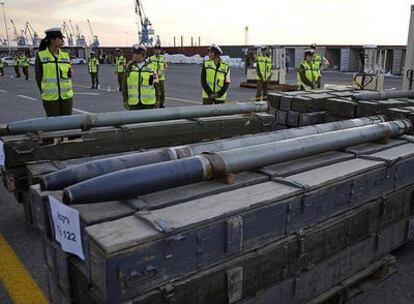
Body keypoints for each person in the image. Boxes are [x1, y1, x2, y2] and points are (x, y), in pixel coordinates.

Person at [35, 27, 74, 117]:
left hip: (67, 96)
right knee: (54, 124)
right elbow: (38, 77)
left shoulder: (65, 55)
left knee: (67, 123)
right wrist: (44, 92)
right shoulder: (41, 56)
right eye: (60, 38)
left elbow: (69, 74)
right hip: (50, 98)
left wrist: (69, 73)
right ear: (52, 40)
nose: (62, 40)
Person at [122, 44, 158, 110]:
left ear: (143, 55)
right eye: (133, 53)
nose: (135, 56)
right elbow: (124, 85)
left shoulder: (151, 67)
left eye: (137, 54)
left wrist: (158, 99)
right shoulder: (129, 67)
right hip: (134, 103)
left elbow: (155, 84)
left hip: (149, 103)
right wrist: (124, 100)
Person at [148, 43, 167, 108]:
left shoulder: (163, 58)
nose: (157, 51)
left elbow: (165, 66)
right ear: (154, 50)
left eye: (158, 49)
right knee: (155, 92)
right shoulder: (151, 58)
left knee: (162, 92)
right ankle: (154, 104)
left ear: (160, 50)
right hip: (154, 77)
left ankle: (161, 104)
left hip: (161, 78)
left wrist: (163, 71)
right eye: (156, 49)